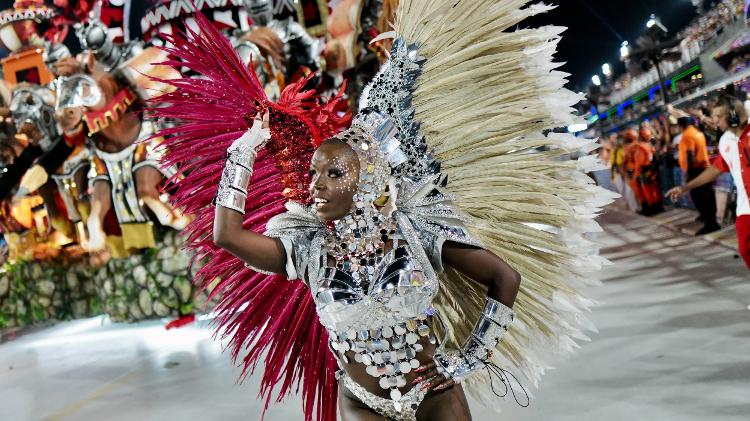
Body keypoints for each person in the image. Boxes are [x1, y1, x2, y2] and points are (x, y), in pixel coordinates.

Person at [153, 3, 614, 421]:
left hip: (436, 399)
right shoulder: (306, 245)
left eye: (334, 173)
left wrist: (467, 359)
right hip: (359, 402)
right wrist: (244, 150)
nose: (317, 185)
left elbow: (505, 278)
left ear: (368, 180)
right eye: (315, 174)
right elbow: (227, 236)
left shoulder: (417, 228)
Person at [668, 98, 750, 268]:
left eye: (719, 116)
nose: (715, 121)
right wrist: (686, 187)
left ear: (734, 115)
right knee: (746, 249)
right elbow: (716, 169)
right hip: (745, 209)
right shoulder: (725, 140)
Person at [677, 117, 720, 234]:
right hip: (704, 167)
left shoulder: (686, 135)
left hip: (695, 170)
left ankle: (710, 224)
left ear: (681, 126)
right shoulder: (699, 133)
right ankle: (711, 220)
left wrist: (688, 174)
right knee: (707, 196)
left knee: (698, 198)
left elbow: (690, 154)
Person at [624, 128, 664, 215]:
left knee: (646, 191)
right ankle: (658, 207)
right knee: (655, 189)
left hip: (641, 171)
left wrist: (636, 175)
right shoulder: (649, 146)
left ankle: (650, 209)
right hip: (652, 170)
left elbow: (638, 162)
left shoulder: (638, 147)